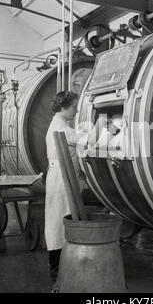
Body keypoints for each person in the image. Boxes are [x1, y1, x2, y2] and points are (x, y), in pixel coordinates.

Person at [45, 91, 107, 284]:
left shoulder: (59, 124)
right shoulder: (61, 127)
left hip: (62, 177)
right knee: (59, 222)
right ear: (63, 107)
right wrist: (103, 121)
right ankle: (57, 269)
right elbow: (88, 139)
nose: (76, 110)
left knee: (59, 221)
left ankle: (62, 265)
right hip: (60, 180)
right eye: (73, 107)